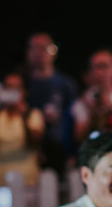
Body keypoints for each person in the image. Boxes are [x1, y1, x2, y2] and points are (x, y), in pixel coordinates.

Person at [24, 33, 77, 173]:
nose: (38, 53)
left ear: (53, 51)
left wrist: (71, 152)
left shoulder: (65, 85)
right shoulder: (23, 84)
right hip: (26, 149)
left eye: (43, 47)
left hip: (58, 149)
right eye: (34, 48)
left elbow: (73, 119)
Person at [0, 72, 45, 188]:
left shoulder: (32, 114)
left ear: (24, 91)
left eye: (16, 88)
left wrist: (23, 115)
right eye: (8, 87)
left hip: (27, 180)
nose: (12, 91)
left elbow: (36, 141)